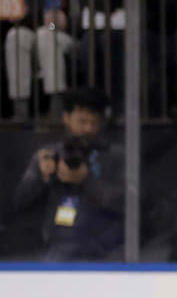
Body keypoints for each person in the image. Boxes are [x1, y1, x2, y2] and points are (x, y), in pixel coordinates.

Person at [10, 88, 123, 261]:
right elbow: (20, 202)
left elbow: (129, 204)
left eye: (94, 123)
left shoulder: (115, 156)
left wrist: (86, 180)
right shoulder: (50, 154)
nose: (88, 129)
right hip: (60, 251)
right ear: (66, 118)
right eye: (82, 121)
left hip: (108, 252)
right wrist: (41, 176)